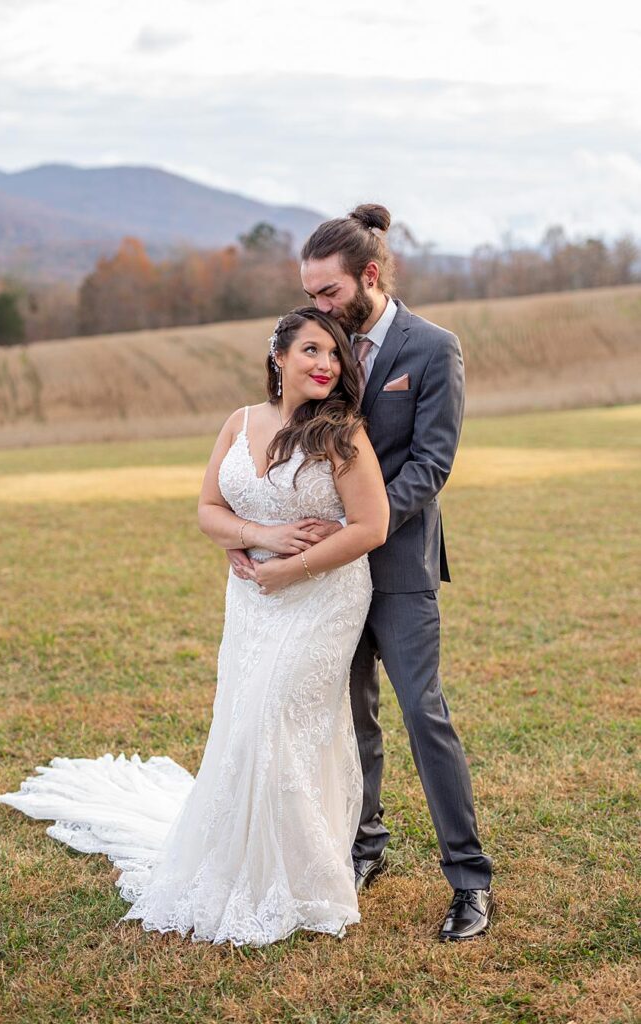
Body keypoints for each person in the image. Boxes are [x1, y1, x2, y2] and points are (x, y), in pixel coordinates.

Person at [0, 307, 390, 947]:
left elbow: (371, 528)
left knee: (277, 717)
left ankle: (303, 875)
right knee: (243, 718)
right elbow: (209, 508)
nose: (326, 365)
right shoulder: (240, 423)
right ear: (279, 357)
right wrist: (255, 537)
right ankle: (236, 858)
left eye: (336, 356)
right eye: (313, 351)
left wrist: (292, 569)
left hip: (322, 595)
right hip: (251, 599)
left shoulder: (341, 434)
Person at [228, 204, 495, 942]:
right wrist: (258, 529)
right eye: (310, 295)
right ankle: (361, 846)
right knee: (349, 717)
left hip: (399, 563)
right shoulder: (323, 350)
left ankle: (469, 879)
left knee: (421, 714)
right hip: (324, 580)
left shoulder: (433, 349)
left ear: (367, 277)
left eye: (326, 293)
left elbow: (431, 465)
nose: (315, 308)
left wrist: (354, 525)